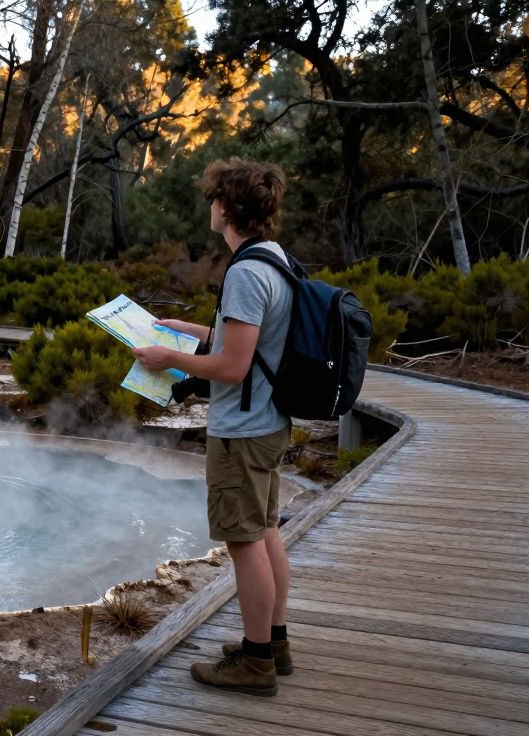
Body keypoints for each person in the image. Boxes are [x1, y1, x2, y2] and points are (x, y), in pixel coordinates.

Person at [132, 158, 294, 697]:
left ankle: (255, 665)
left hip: (243, 429)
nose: (210, 205)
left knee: (244, 543)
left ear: (228, 206)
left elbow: (234, 366)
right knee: (266, 531)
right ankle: (271, 644)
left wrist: (166, 360)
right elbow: (250, 340)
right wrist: (192, 330)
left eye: (214, 197)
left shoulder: (246, 272)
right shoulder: (273, 259)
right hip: (267, 422)